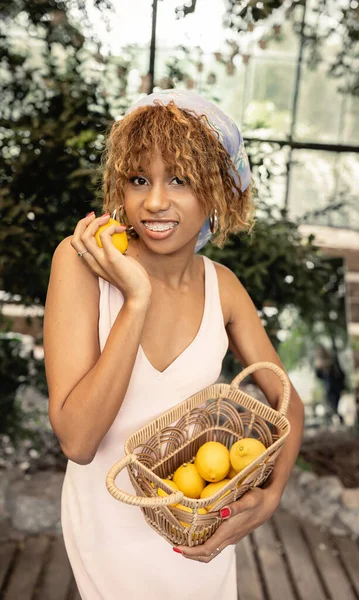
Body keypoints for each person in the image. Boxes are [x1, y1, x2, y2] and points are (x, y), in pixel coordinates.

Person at [43, 90, 304, 600]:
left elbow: (287, 400)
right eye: (139, 179)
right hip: (109, 532)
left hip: (198, 531)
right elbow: (77, 441)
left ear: (218, 191)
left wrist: (270, 498)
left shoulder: (222, 286)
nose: (155, 202)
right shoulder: (81, 263)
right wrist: (135, 299)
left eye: (179, 180)